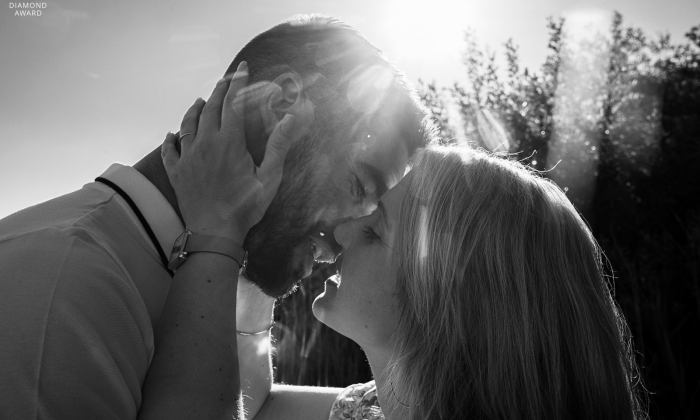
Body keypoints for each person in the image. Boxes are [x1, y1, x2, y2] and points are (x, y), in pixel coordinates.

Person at [0, 15, 433, 419]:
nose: (346, 237)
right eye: (359, 185)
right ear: (281, 110)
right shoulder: (61, 283)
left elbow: (253, 406)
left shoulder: (207, 267)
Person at [236, 147, 646, 420]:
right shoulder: (370, 410)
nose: (341, 233)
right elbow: (254, 408)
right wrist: (265, 251)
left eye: (375, 232)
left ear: (448, 301)